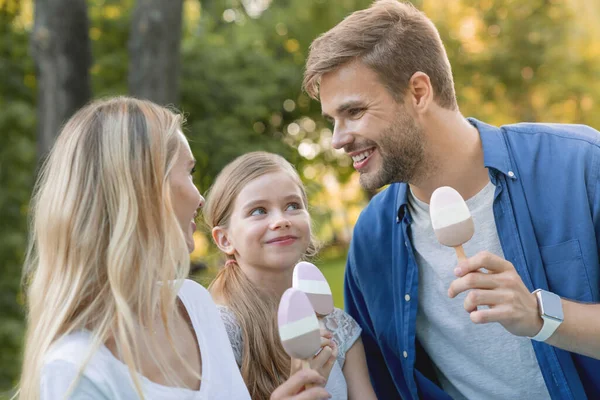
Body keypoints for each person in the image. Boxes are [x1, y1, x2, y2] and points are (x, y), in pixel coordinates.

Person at [303, 0, 600, 399]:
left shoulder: (579, 164)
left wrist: (539, 316)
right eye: (332, 121)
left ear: (419, 92)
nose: (338, 139)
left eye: (353, 111)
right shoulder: (371, 241)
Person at [17, 97, 332, 400]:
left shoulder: (195, 305)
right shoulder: (75, 369)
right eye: (189, 173)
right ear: (143, 190)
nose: (200, 199)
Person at [203, 151, 377, 400]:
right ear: (225, 239)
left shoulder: (339, 327)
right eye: (258, 211)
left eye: (293, 206)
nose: (281, 220)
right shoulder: (219, 332)